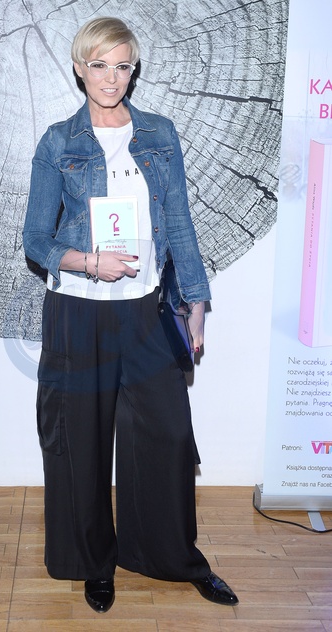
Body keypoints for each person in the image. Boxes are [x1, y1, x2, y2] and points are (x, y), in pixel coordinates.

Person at [22, 16, 238, 613]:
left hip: (146, 308)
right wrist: (91, 263)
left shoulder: (160, 134)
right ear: (79, 68)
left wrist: (195, 302)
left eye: (122, 66)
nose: (110, 78)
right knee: (82, 442)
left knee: (166, 436)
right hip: (77, 310)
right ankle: (95, 563)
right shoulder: (58, 142)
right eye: (98, 65)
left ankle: (173, 558)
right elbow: (35, 239)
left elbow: (181, 225)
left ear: (133, 70)